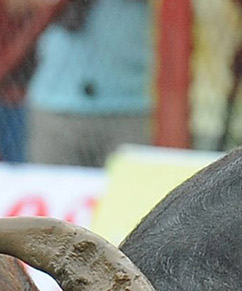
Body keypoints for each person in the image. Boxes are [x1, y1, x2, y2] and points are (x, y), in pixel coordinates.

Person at [17, 0, 154, 167]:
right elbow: (14, 5)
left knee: (133, 191)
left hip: (132, 103)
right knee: (54, 189)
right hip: (55, 102)